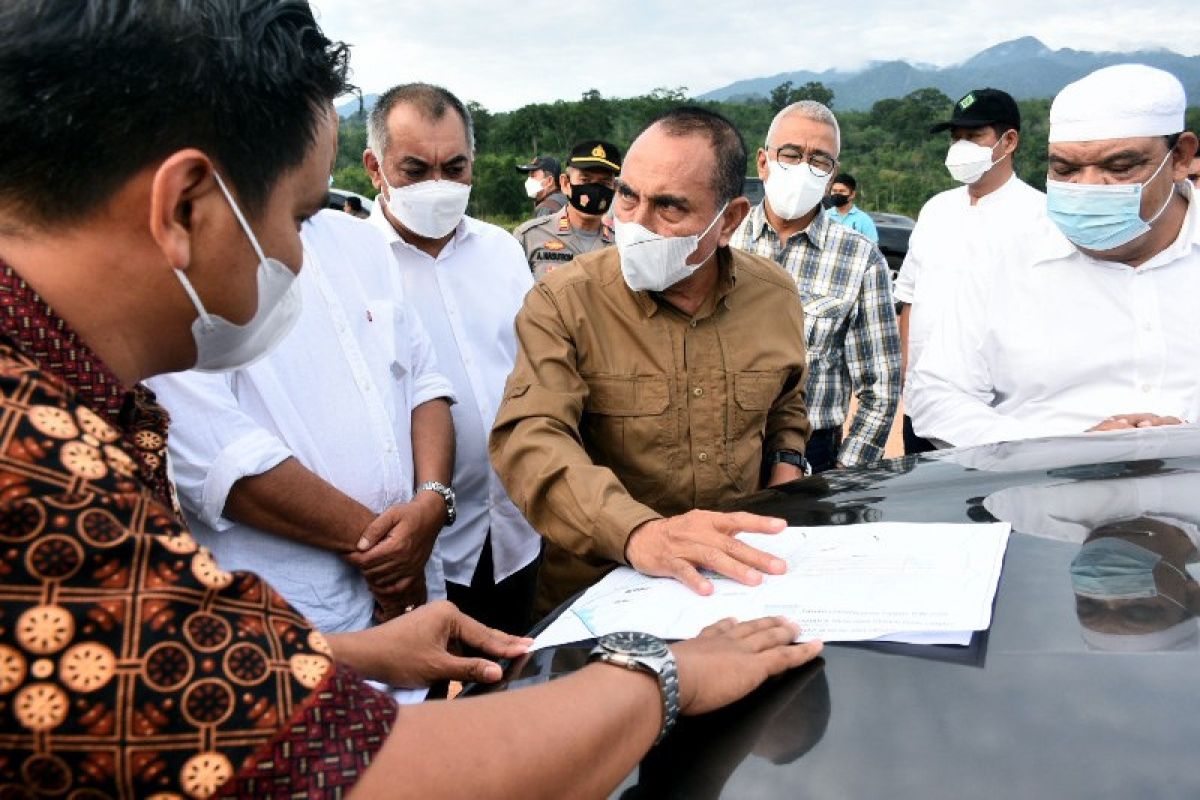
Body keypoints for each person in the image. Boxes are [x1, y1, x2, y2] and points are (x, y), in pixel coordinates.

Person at [0, 3, 823, 796]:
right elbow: (336, 769)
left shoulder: (65, 400)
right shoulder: (33, 471)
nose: (304, 247)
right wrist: (662, 677)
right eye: (301, 212)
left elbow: (181, 676)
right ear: (184, 206)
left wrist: (347, 653)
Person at [491, 107, 814, 615]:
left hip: (738, 584)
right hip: (601, 591)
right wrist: (639, 532)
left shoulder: (774, 298)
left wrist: (786, 470)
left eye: (669, 207)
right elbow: (531, 438)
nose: (636, 224)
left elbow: (785, 408)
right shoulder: (566, 302)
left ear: (728, 220)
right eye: (627, 196)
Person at [147, 193, 457, 632]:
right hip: (290, 625)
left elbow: (424, 382)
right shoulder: (187, 256)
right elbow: (217, 457)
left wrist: (430, 502)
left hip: (413, 597)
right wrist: (390, 555)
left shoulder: (362, 241)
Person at [907, 64, 1200, 448]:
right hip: (1038, 500)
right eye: (1065, 169)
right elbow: (938, 396)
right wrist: (1057, 447)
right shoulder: (1004, 255)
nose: (1089, 188)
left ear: (1179, 157)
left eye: (1120, 167)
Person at [362, 82, 542, 634]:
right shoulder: (356, 266)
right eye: (416, 171)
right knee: (432, 700)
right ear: (375, 168)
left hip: (517, 530)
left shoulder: (503, 251)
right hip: (419, 548)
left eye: (455, 167)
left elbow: (531, 366)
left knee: (515, 681)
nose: (438, 186)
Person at [730, 101, 899, 472]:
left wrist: (844, 475)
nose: (804, 168)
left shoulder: (860, 259)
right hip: (724, 447)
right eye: (791, 154)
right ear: (764, 161)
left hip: (814, 451)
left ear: (831, 173)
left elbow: (880, 387)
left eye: (819, 160)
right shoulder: (724, 239)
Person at [894, 87, 1044, 453]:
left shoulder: (1039, 217)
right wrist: (904, 369)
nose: (961, 146)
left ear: (1008, 141)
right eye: (956, 138)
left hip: (994, 414)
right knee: (925, 504)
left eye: (974, 137)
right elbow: (910, 297)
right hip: (922, 404)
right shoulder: (935, 211)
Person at [514, 139, 622, 279]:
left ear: (615, 189)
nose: (594, 190)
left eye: (604, 183)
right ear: (565, 183)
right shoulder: (529, 237)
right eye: (585, 180)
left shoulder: (621, 244)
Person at [824, 173, 879, 243]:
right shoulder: (824, 216)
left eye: (842, 191)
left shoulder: (864, 220)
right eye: (834, 191)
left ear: (852, 194)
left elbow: (872, 247)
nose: (837, 194)